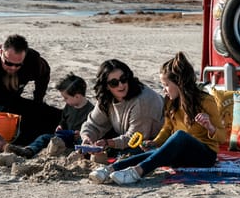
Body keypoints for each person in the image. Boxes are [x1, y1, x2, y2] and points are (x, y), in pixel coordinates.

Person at [89, 52, 224, 185]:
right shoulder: (171, 102)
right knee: (157, 152)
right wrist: (154, 142)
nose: (164, 90)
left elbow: (223, 137)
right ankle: (110, 169)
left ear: (179, 83)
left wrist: (210, 127)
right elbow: (167, 128)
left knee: (180, 136)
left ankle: (137, 172)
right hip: (182, 153)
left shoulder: (206, 101)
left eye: (166, 85)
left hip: (204, 155)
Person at [79, 59, 164, 152]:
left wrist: (108, 143)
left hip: (152, 142)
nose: (121, 85)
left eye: (123, 79)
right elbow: (93, 124)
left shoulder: (142, 100)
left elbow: (134, 138)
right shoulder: (106, 98)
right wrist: (86, 137)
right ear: (106, 86)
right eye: (114, 83)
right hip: (127, 136)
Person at [5, 73, 94, 158]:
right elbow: (63, 120)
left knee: (83, 144)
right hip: (65, 138)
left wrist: (81, 134)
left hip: (80, 140)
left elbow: (93, 128)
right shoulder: (69, 107)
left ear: (77, 96)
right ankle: (29, 151)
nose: (64, 100)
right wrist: (60, 126)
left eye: (66, 98)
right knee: (44, 137)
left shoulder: (91, 110)